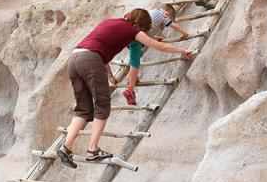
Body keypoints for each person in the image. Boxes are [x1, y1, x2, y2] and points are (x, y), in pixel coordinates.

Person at [57, 9, 194, 168]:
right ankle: (92, 150)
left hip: (74, 59)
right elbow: (159, 46)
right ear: (139, 25)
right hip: (90, 59)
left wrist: (109, 75)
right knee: (102, 105)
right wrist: (183, 50)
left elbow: (99, 50)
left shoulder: (109, 22)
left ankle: (65, 148)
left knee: (83, 109)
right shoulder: (131, 29)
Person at [122, 4, 189, 106]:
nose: (164, 25)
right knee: (135, 62)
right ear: (167, 13)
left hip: (131, 35)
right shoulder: (162, 15)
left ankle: (132, 78)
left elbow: (146, 33)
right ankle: (130, 90)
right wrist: (184, 33)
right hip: (136, 38)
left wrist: (154, 38)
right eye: (169, 18)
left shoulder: (149, 14)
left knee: (136, 57)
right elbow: (173, 25)